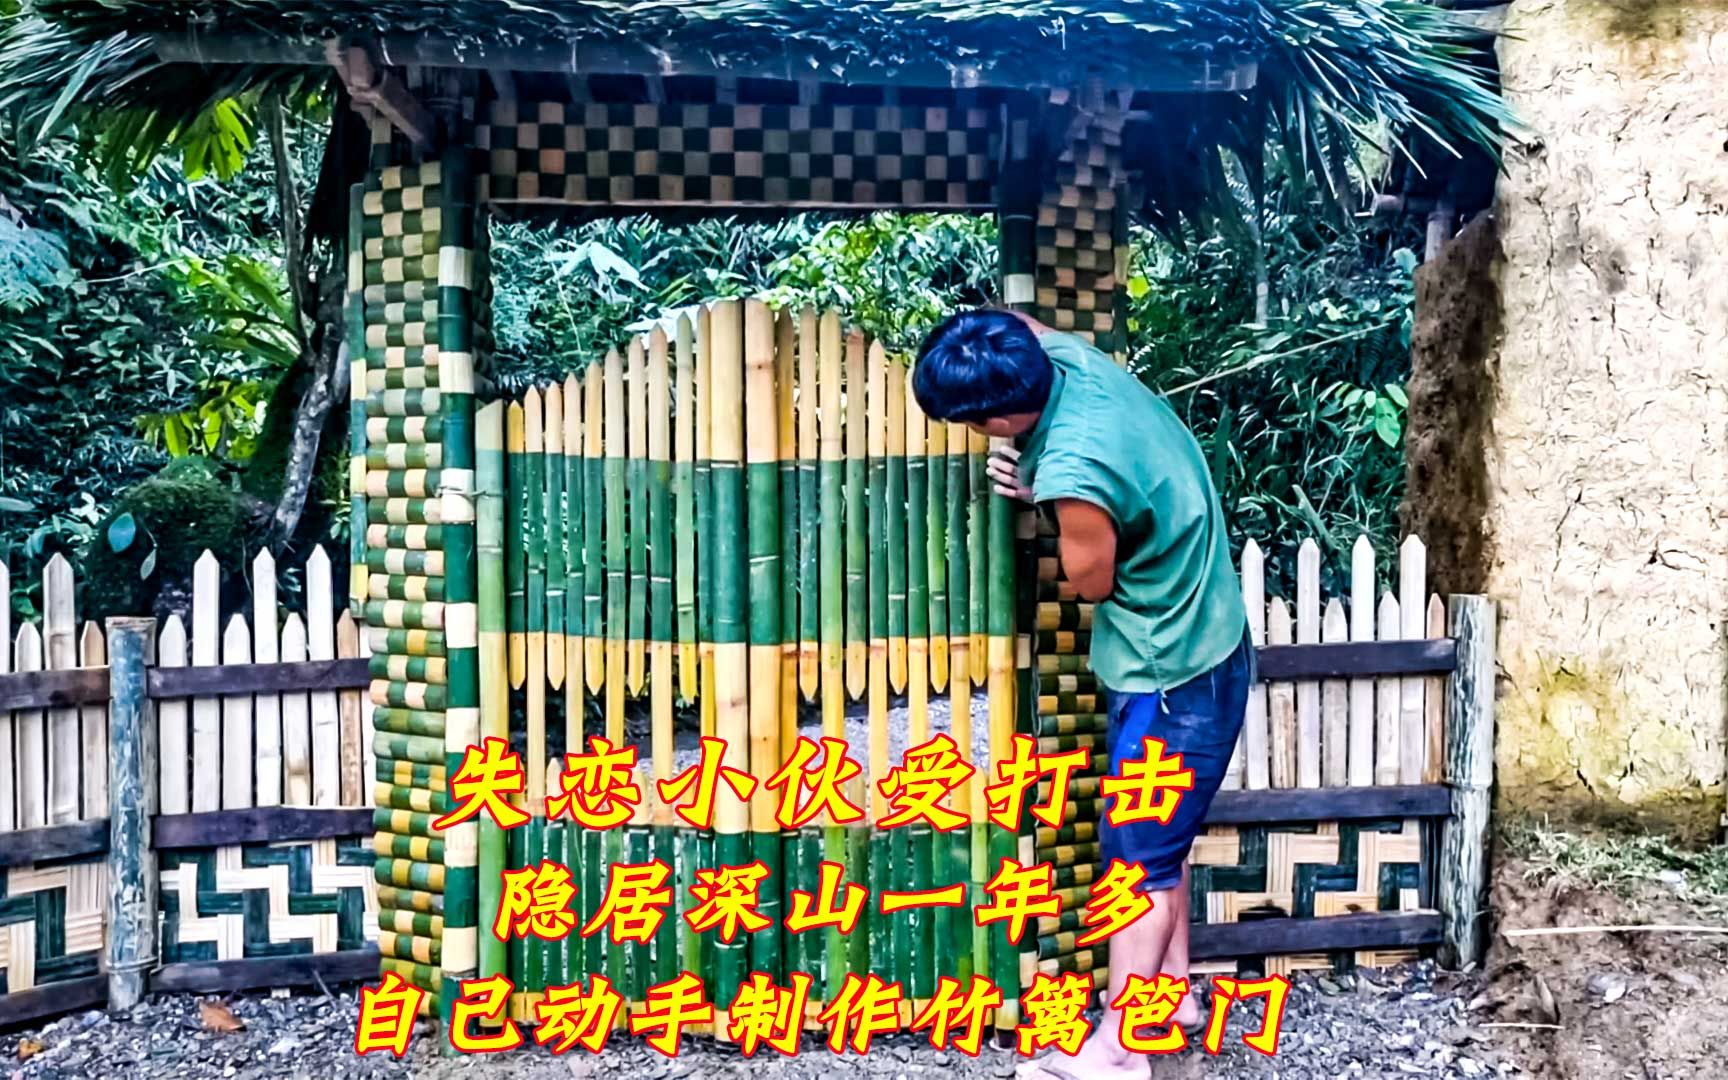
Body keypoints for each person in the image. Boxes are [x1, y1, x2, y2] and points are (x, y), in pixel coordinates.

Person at [911, 308, 1252, 1080]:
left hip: (1174, 670)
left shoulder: (1074, 467)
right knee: (1160, 843)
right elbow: (1016, 316)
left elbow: (1090, 580)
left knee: (1136, 862)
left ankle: (1120, 1052)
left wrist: (1036, 488)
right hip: (1205, 635)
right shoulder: (1056, 353)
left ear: (996, 416)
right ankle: (1172, 997)